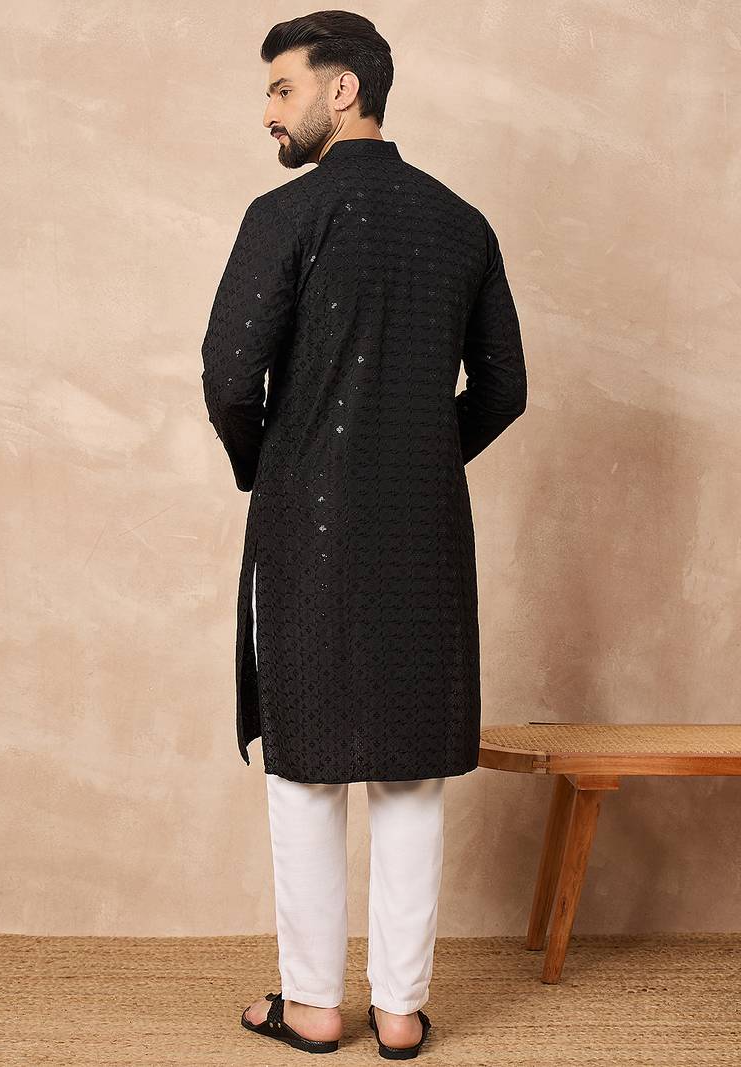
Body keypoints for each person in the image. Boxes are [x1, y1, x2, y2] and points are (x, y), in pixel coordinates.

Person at [200, 10, 527, 1057]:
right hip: (423, 533)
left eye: (281, 88)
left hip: (307, 527)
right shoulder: (462, 223)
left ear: (342, 90)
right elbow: (505, 389)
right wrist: (418, 459)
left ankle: (311, 1004)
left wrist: (275, 465)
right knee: (408, 769)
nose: (268, 111)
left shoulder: (285, 212)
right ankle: (398, 1011)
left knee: (307, 766)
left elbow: (227, 376)